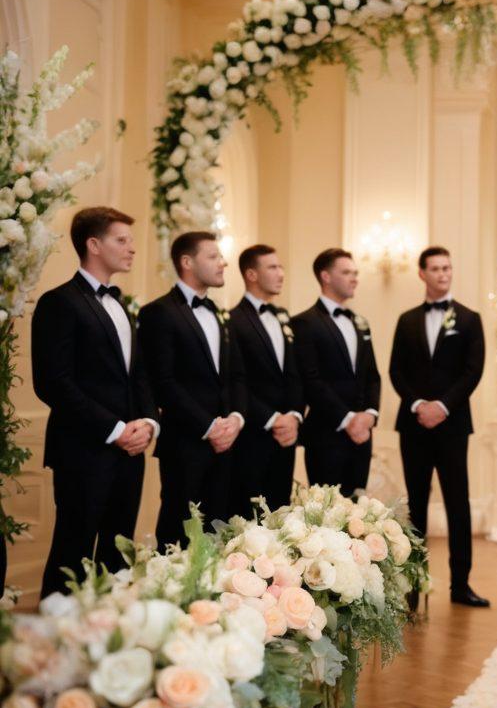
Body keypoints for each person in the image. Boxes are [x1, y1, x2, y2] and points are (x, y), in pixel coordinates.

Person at [32, 207, 159, 595]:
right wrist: (115, 429)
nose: (132, 249)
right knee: (72, 551)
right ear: (93, 244)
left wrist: (148, 423)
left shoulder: (122, 306)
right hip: (83, 449)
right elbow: (53, 383)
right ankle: (54, 644)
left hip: (130, 450)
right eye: (121, 240)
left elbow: (138, 375)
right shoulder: (59, 302)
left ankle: (105, 639)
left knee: (117, 552)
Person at [389, 246, 488, 608]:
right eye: (436, 268)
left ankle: (461, 585)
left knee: (457, 503)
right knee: (416, 506)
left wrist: (443, 406)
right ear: (422, 274)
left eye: (448, 267)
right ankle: (413, 586)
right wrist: (418, 405)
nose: (443, 274)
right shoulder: (406, 320)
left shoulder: (469, 318)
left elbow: (472, 370)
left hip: (452, 424)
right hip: (414, 425)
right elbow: (396, 370)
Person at [139, 231, 246, 549]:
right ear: (187, 262)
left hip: (227, 442)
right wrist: (209, 426)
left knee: (220, 533)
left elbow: (237, 375)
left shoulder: (219, 313)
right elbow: (163, 382)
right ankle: (171, 598)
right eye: (213, 256)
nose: (223, 262)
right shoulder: (158, 312)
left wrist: (236, 419)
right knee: (177, 532)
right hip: (185, 443)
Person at [291, 248, 380, 499]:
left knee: (358, 515)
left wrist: (370, 415)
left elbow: (372, 375)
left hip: (362, 434)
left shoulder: (360, 322)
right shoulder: (304, 323)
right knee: (327, 515)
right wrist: (347, 418)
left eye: (355, 273)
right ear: (326, 277)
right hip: (326, 434)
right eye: (346, 272)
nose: (354, 278)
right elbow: (311, 379)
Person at [229, 244, 305, 513]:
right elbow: (236, 380)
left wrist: (294, 416)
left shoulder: (283, 317)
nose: (281, 273)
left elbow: (296, 373)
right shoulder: (233, 320)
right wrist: (272, 419)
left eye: (280, 266)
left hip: (286, 436)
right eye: (272, 267)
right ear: (251, 274)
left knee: (281, 515)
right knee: (250, 517)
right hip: (253, 436)